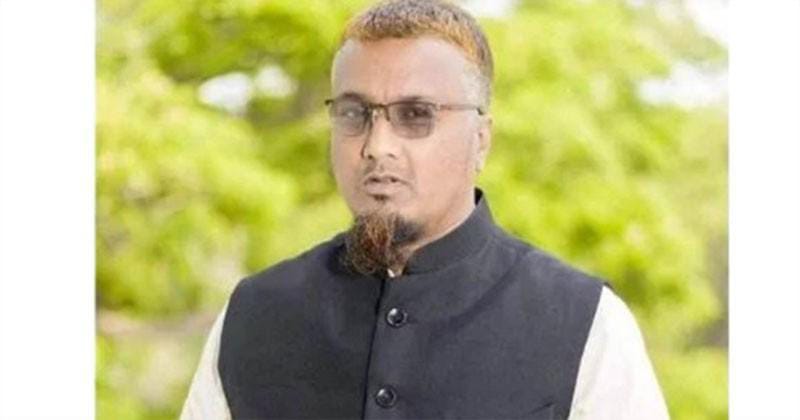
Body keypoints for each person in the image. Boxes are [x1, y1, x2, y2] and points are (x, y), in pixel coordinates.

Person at [180, 1, 669, 419]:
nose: (377, 146)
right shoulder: (255, 315)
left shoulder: (584, 323)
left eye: (416, 115)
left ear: (481, 140)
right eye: (354, 114)